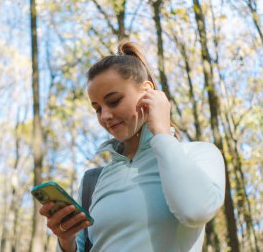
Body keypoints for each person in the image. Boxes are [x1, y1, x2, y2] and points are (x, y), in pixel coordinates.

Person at [38, 41, 225, 252]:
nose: (105, 116)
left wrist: (161, 132)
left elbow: (195, 211)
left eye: (114, 100)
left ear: (148, 92)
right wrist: (66, 241)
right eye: (97, 109)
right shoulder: (93, 181)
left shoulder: (199, 154)